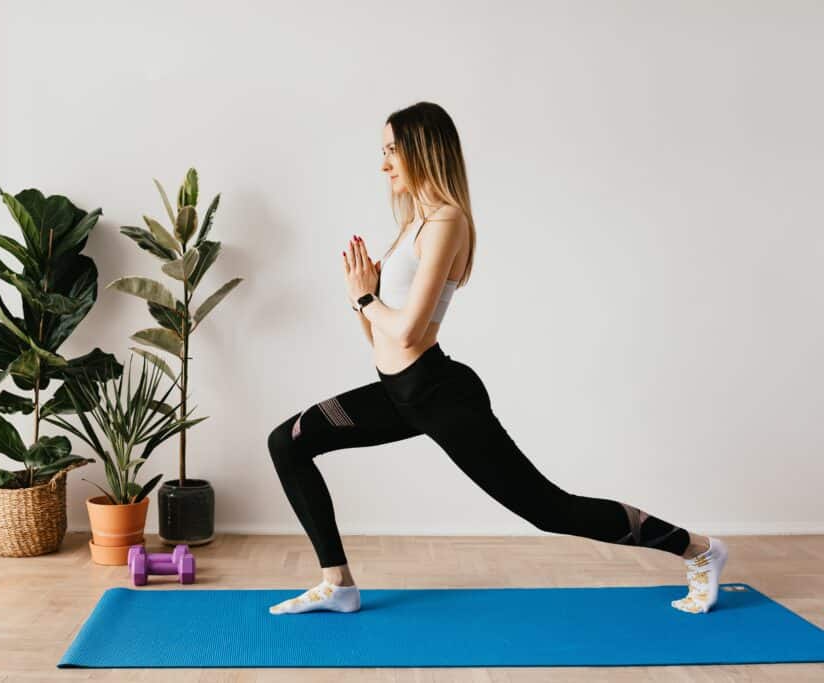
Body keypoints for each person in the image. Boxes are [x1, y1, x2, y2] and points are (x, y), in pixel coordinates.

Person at [266, 101, 728, 616]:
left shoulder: (446, 221)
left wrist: (365, 298)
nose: (383, 164)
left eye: (392, 150)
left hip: (440, 394)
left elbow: (412, 328)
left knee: (548, 509)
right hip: (399, 393)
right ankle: (339, 584)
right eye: (383, 152)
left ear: (422, 149)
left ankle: (700, 550)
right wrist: (362, 298)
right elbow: (382, 339)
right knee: (288, 442)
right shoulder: (411, 225)